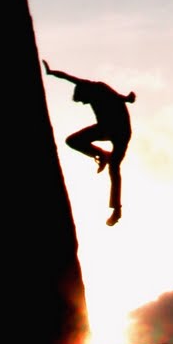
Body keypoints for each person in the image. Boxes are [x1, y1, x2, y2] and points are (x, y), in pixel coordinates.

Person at [43, 60, 135, 226]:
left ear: (84, 93)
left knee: (114, 169)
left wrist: (127, 99)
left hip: (120, 130)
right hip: (106, 128)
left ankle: (116, 210)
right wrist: (51, 73)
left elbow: (116, 96)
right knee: (72, 141)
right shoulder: (86, 87)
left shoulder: (96, 87)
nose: (85, 104)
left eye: (83, 100)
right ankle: (101, 154)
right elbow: (65, 77)